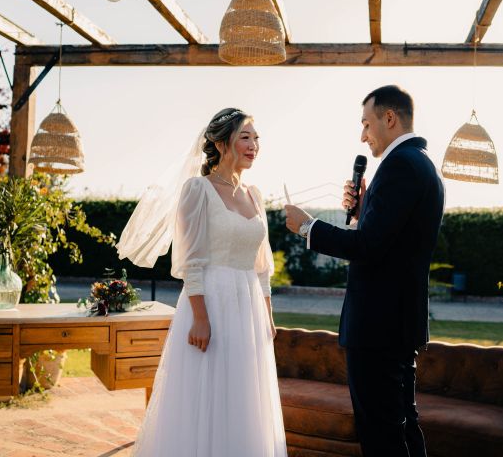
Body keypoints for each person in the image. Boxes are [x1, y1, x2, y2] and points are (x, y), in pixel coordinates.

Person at [285, 85, 445, 457]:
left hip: (378, 327)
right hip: (396, 325)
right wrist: (362, 214)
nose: (363, 135)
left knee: (381, 436)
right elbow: (388, 241)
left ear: (389, 118)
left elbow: (368, 248)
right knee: (402, 427)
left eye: (366, 123)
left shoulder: (400, 165)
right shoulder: (419, 163)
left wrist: (309, 227)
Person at [117, 108, 287, 457]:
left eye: (256, 138)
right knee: (207, 394)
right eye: (245, 137)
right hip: (212, 302)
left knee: (243, 396)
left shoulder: (255, 194)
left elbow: (262, 265)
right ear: (221, 143)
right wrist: (201, 318)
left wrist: (267, 316)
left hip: (249, 308)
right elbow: (191, 261)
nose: (254, 145)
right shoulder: (197, 190)